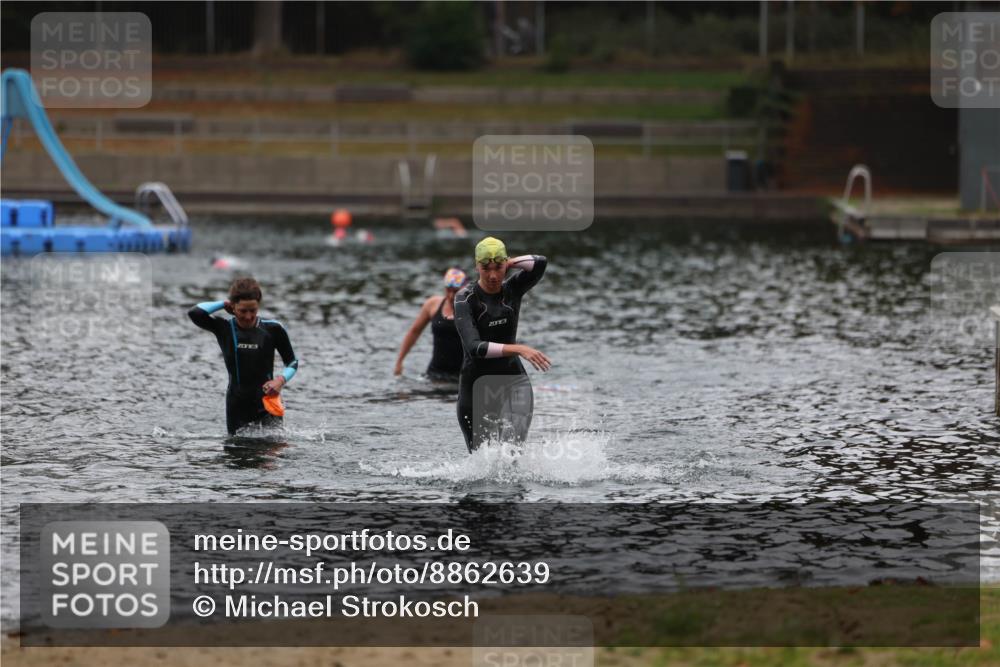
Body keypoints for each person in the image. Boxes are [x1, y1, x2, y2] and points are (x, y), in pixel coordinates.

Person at [454, 237, 550, 452]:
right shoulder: (465, 299)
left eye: (499, 267)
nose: (493, 275)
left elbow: (540, 262)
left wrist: (511, 261)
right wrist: (518, 348)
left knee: (513, 454)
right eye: (486, 268)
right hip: (475, 388)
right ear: (476, 266)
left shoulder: (513, 289)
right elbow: (474, 348)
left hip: (514, 382)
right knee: (482, 465)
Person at [188, 277, 299, 435]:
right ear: (233, 307)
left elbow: (292, 362)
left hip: (268, 403)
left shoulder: (273, 329)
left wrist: (280, 381)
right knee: (238, 456)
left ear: (258, 306)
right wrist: (222, 303)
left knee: (272, 455)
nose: (248, 316)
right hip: (237, 407)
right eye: (242, 311)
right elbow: (195, 312)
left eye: (253, 310)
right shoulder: (224, 328)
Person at [394, 268, 467, 382]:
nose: (451, 295)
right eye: (448, 290)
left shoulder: (473, 308)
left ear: (464, 289)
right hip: (434, 373)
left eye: (456, 291)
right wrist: (399, 361)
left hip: (463, 376)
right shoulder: (433, 304)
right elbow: (415, 331)